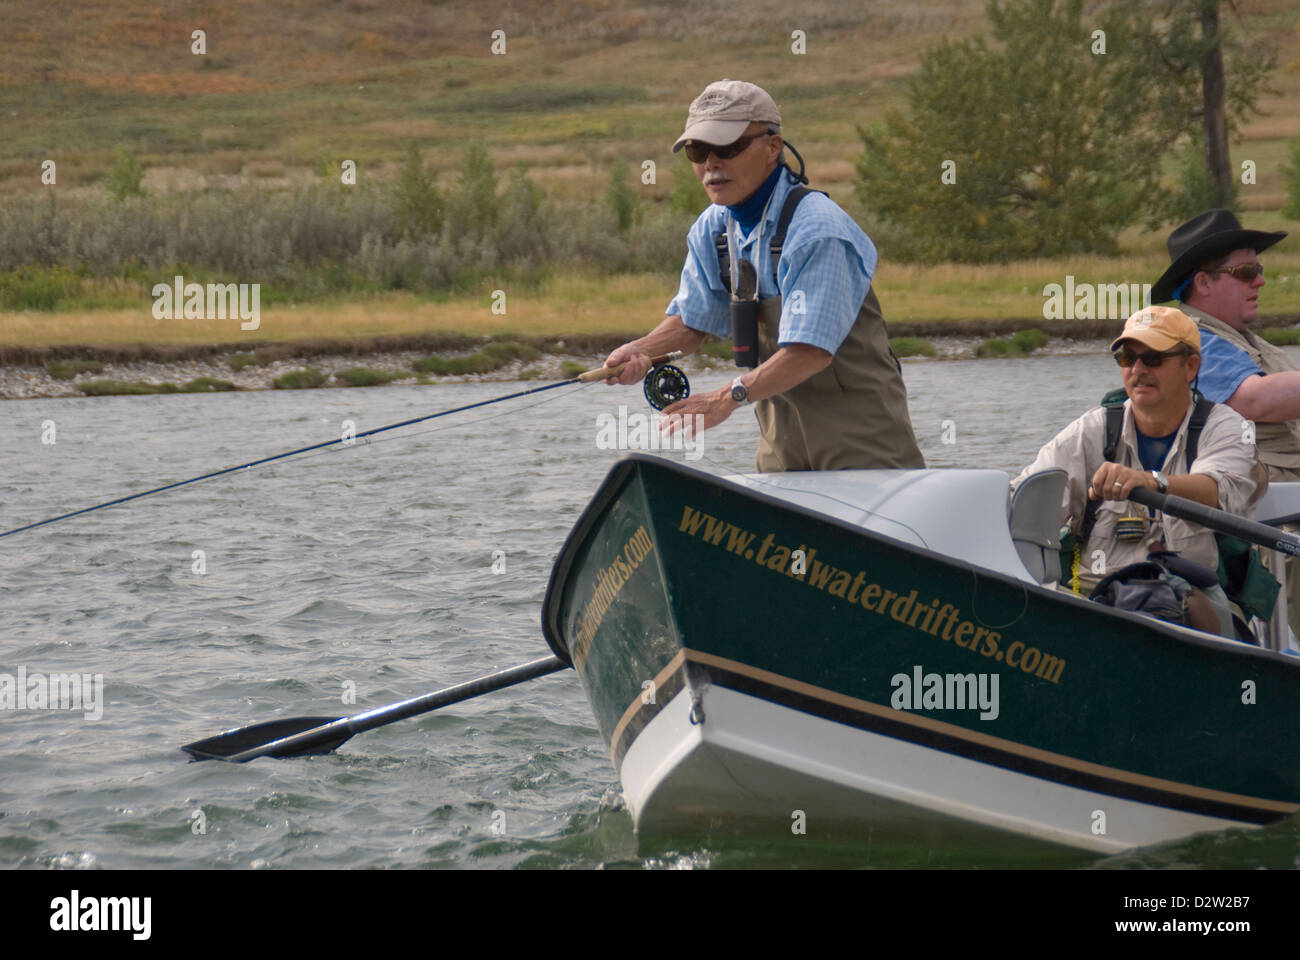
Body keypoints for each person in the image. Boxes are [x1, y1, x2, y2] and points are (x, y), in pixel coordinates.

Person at [601, 79, 924, 472]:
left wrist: (722, 400)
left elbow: (810, 353)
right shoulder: (713, 230)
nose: (711, 164)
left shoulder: (817, 232)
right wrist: (642, 349)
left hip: (868, 453)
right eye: (698, 150)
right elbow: (692, 322)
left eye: (728, 147)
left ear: (773, 147)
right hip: (781, 453)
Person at [1012, 306, 1259, 635]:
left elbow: (1220, 489)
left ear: (1191, 366)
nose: (1138, 369)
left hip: (1191, 613)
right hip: (1095, 610)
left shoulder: (1226, 427)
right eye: (1127, 358)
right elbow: (1025, 501)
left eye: (1154, 358)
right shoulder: (1091, 430)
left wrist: (1151, 482)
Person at [1151, 208, 1300, 637]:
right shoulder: (1193, 340)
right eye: (1246, 271)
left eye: (1259, 269)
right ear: (1203, 282)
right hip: (1269, 513)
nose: (1261, 281)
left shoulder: (1245, 342)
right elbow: (1253, 400)